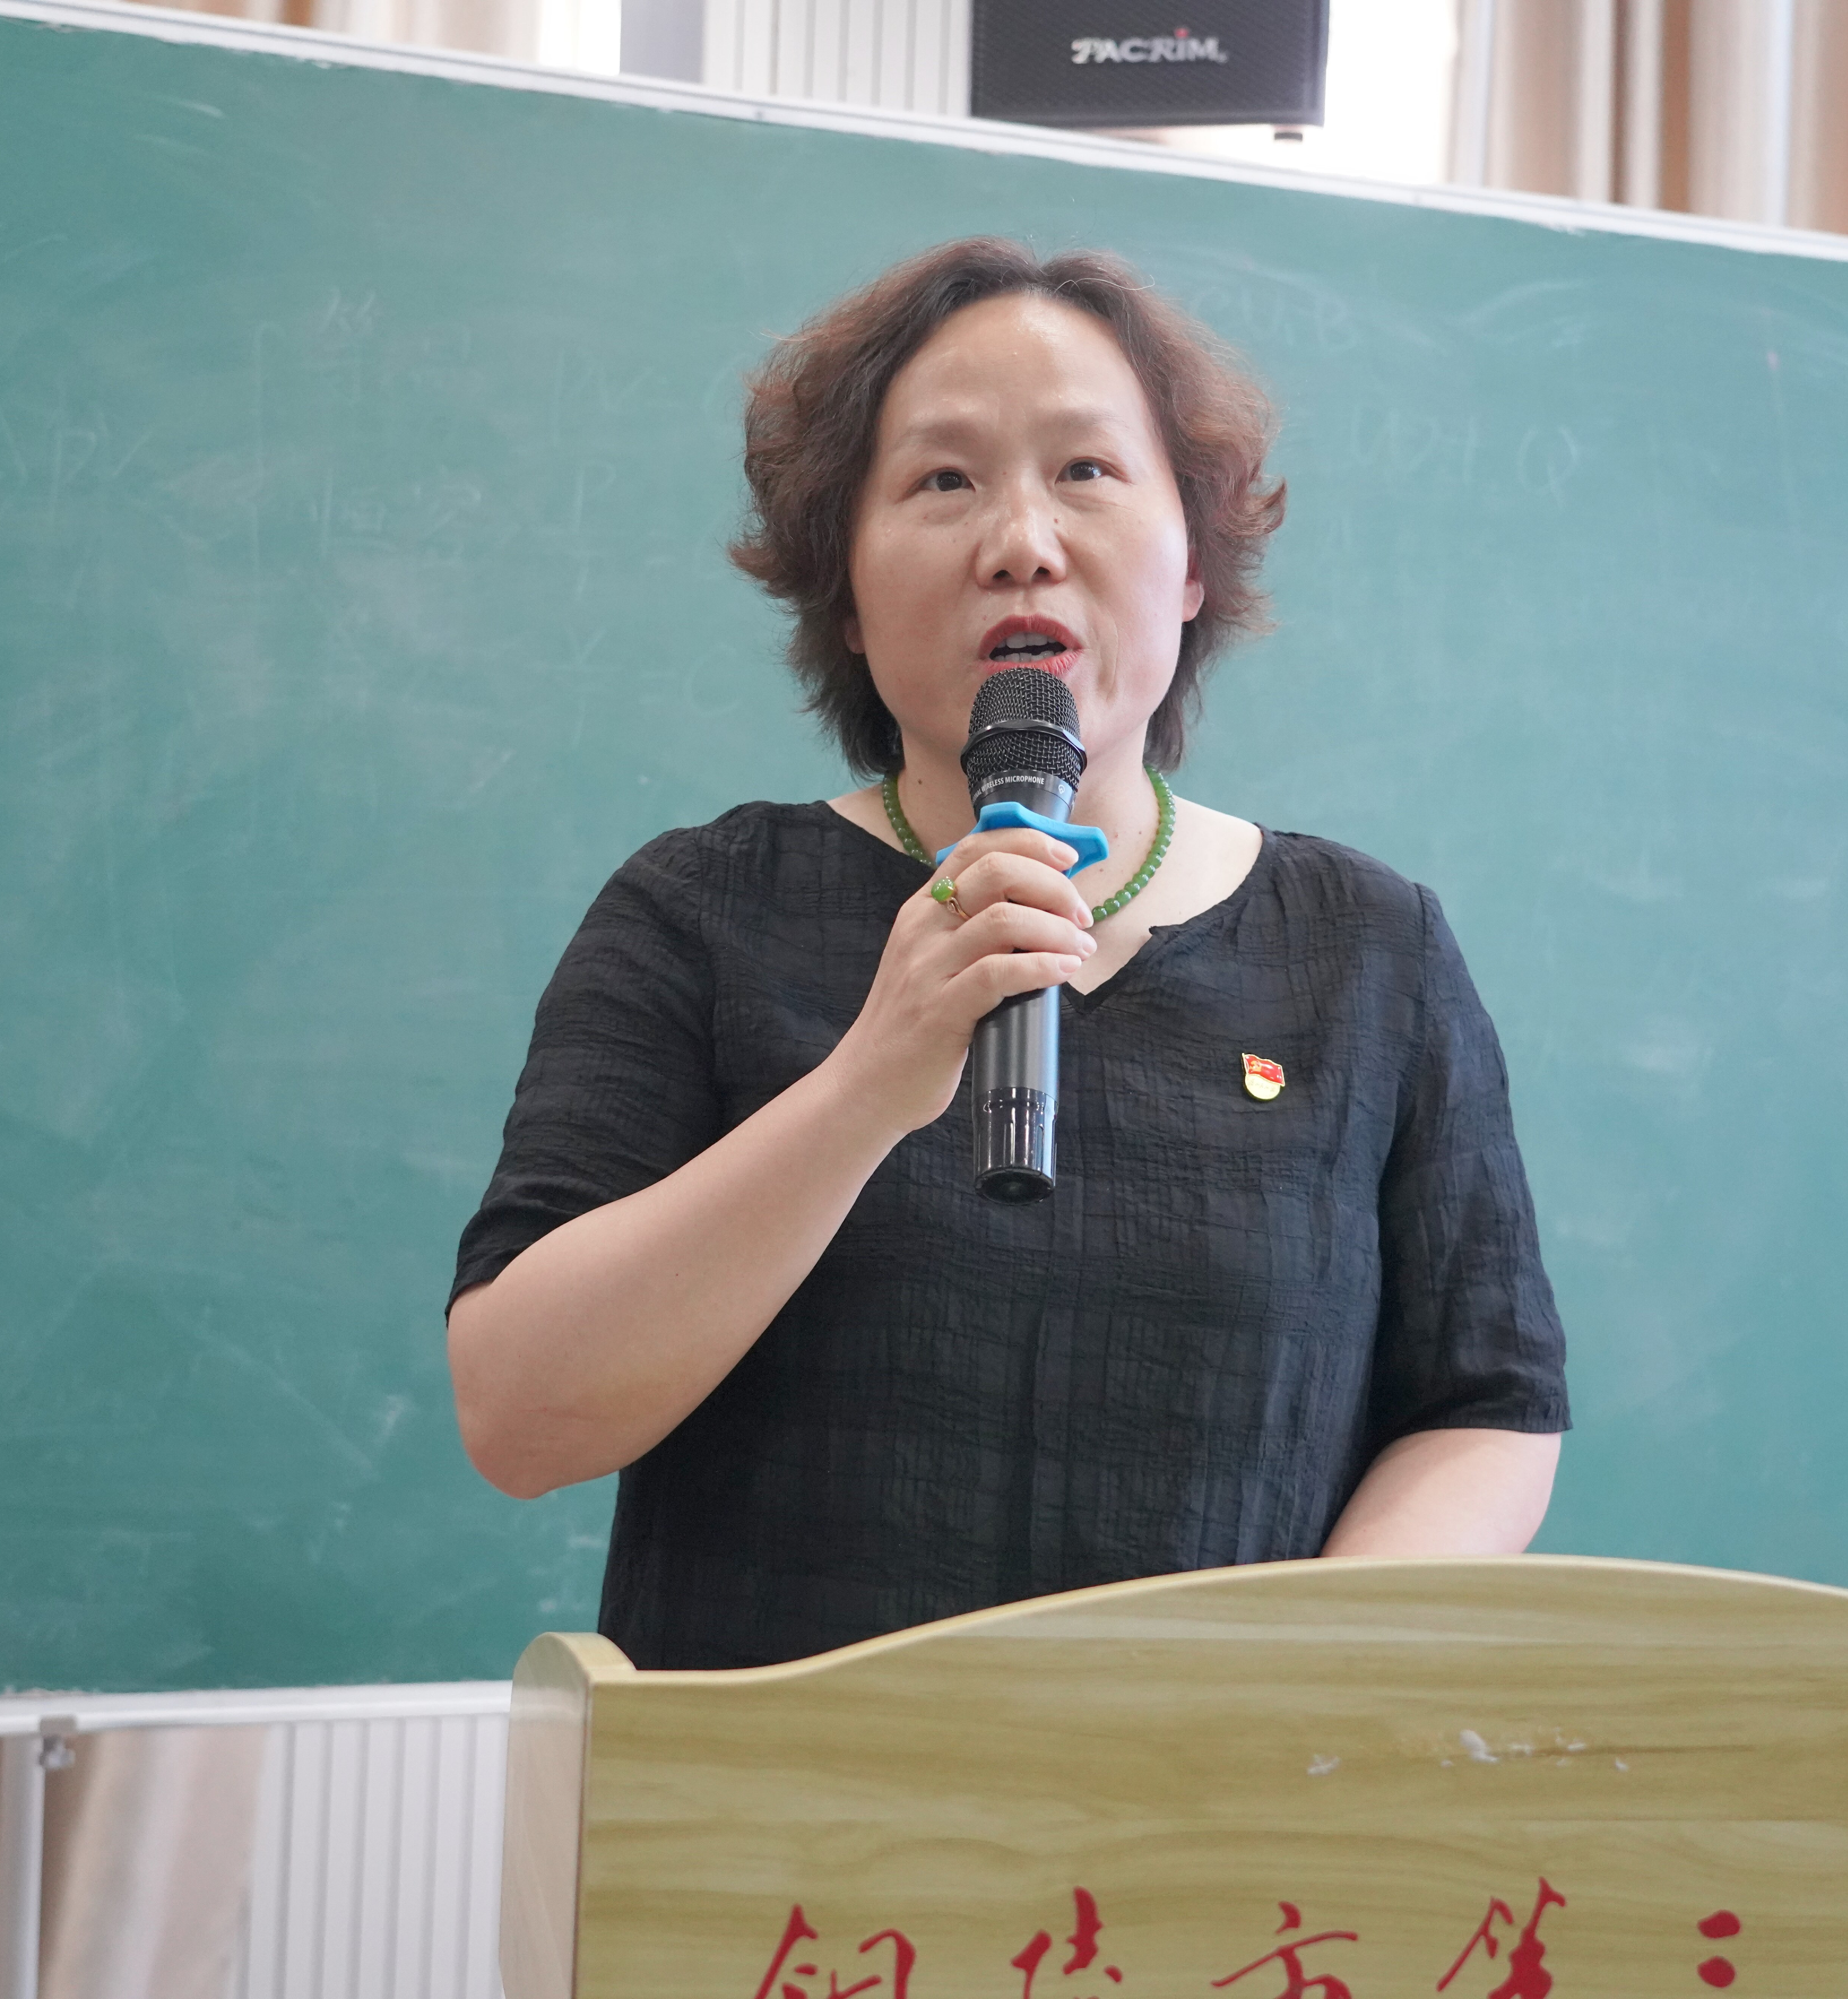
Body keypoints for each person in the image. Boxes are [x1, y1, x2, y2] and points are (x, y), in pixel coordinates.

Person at [446, 239, 1567, 1670]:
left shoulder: (1368, 948)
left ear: (1193, 563)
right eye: (944, 482)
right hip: (789, 1795)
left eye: (1087, 471)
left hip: (1217, 1779)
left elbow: (1485, 1406)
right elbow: (520, 1418)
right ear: (845, 598)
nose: (1022, 542)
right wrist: (867, 1086)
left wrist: (1299, 1673)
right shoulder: (702, 911)